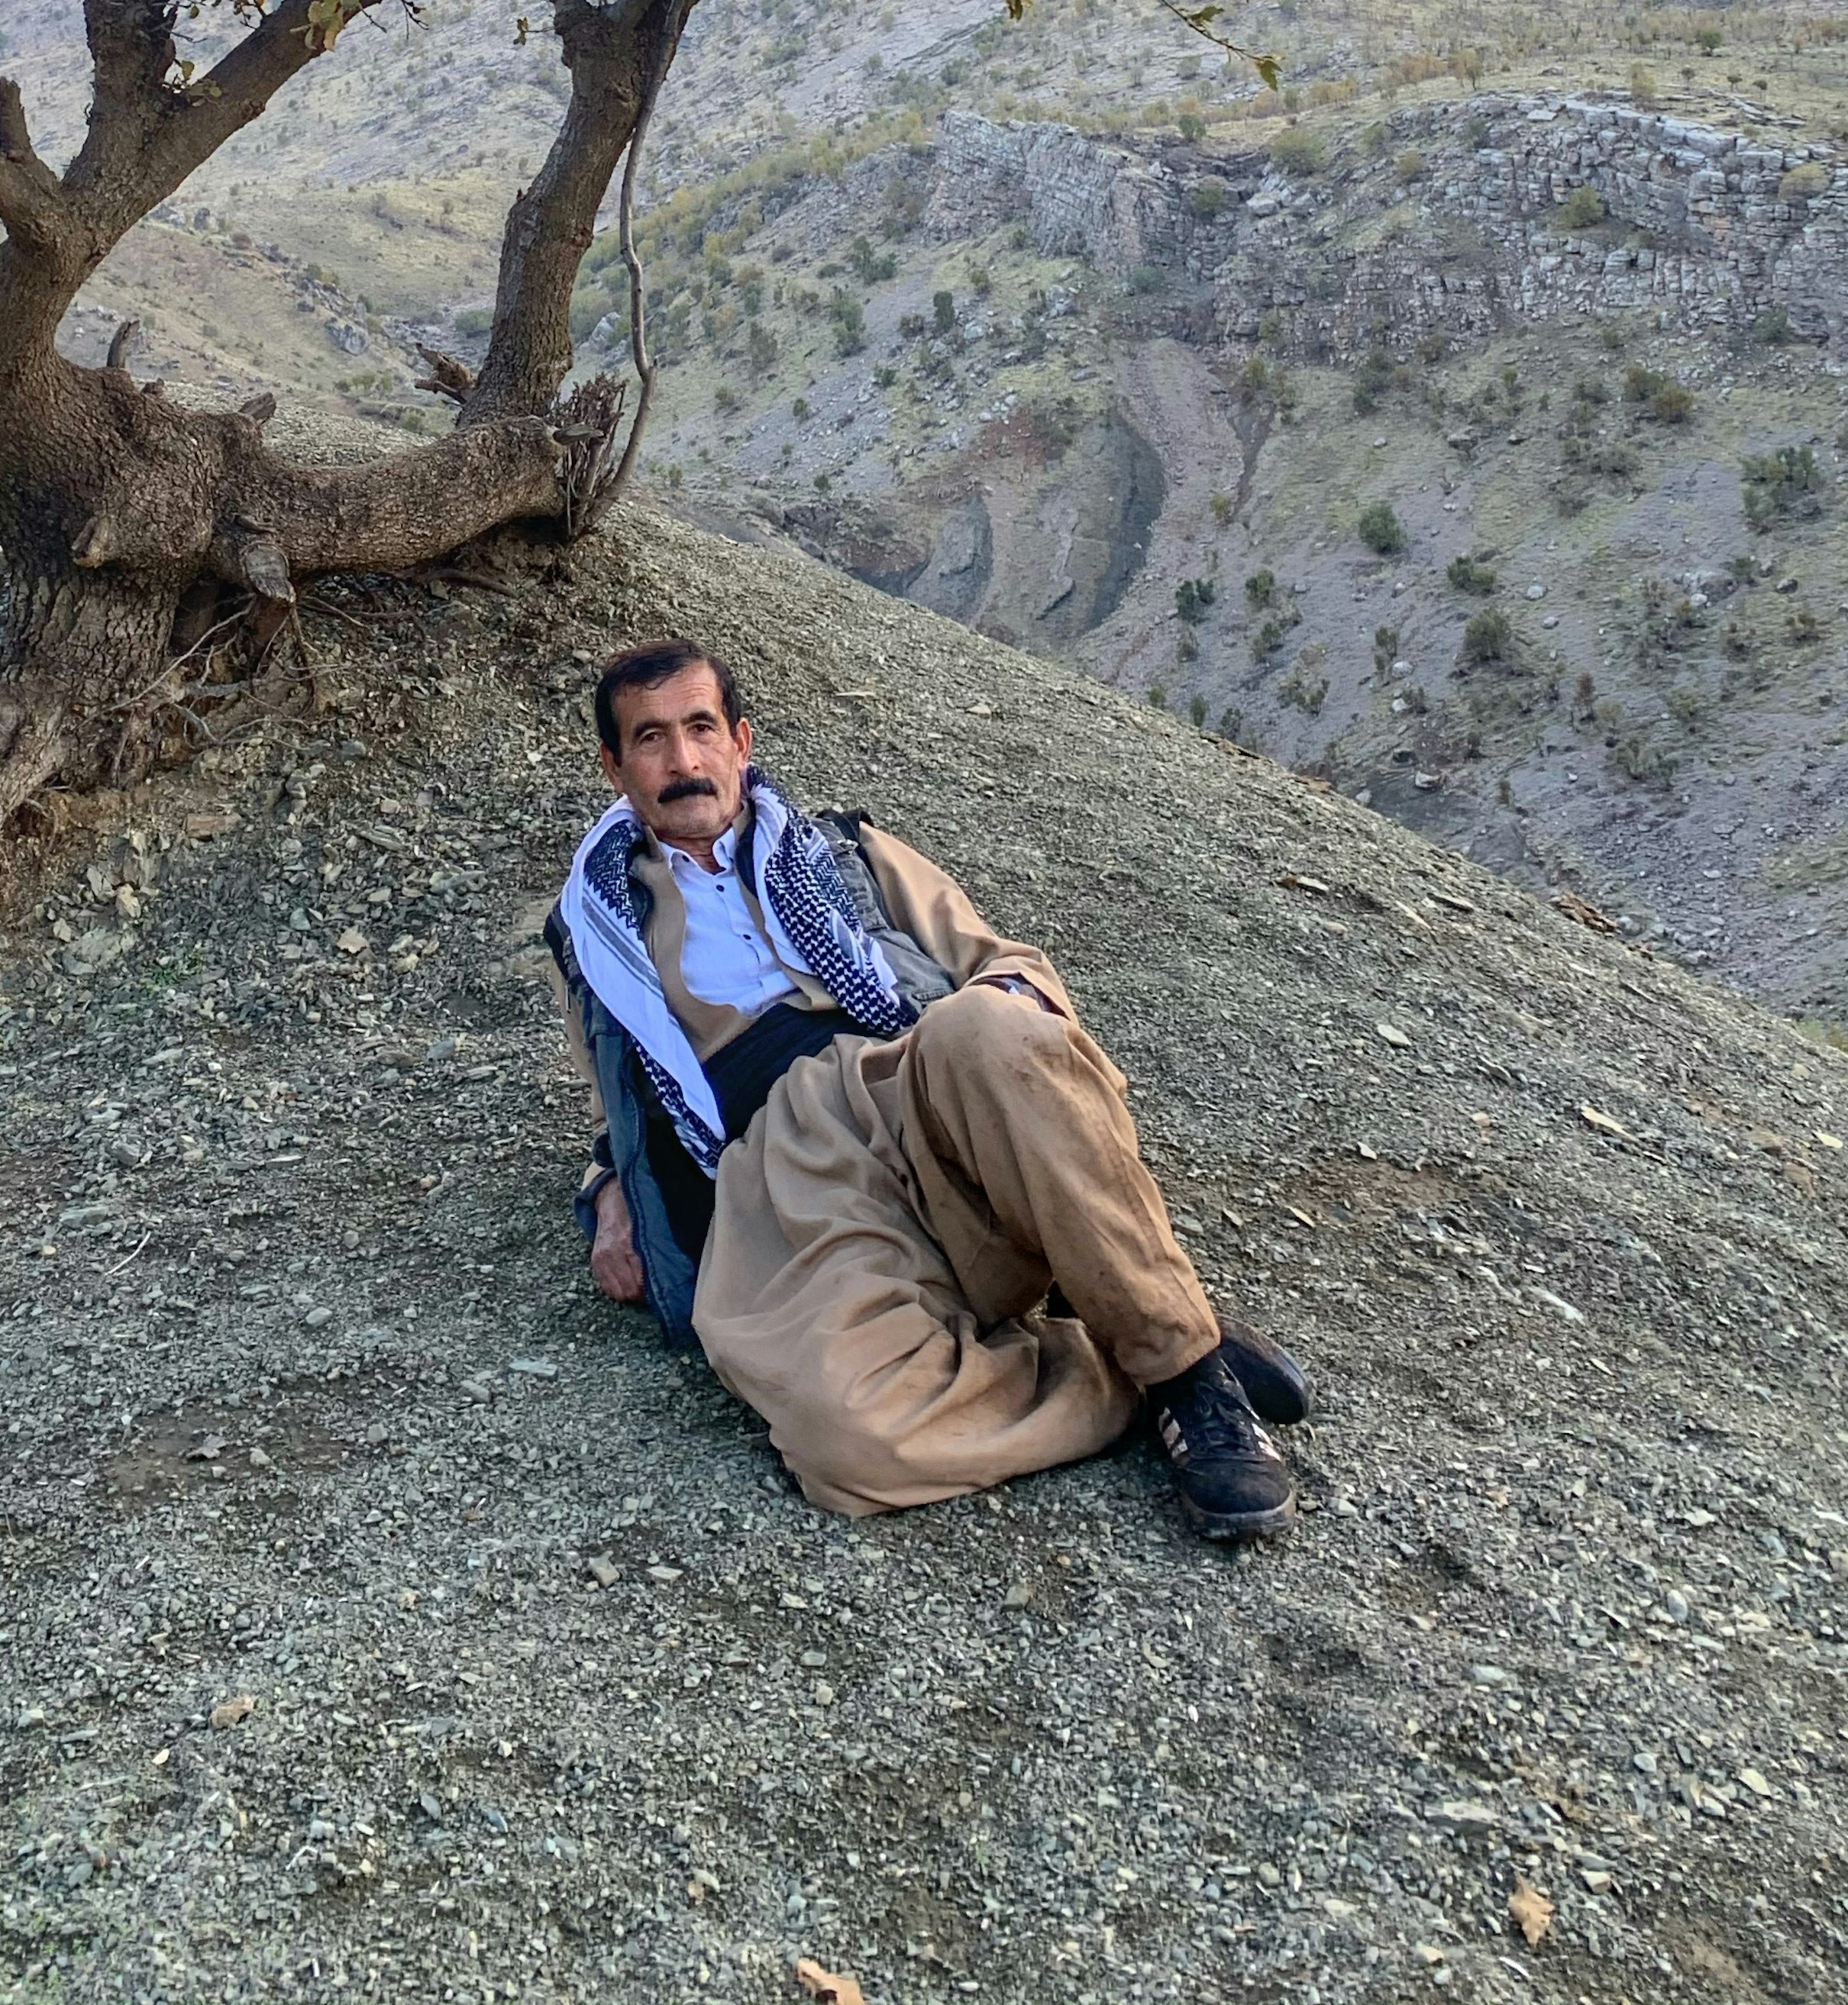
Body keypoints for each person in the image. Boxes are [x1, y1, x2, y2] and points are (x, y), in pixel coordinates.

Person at [546, 634, 1307, 1538]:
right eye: (651, 739)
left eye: (701, 728)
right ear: (614, 765)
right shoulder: (596, 924)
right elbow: (618, 1104)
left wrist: (991, 1069)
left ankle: (1190, 1377)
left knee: (990, 1025)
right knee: (846, 1437)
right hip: (784, 1163)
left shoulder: (844, 848)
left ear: (741, 741)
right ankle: (1124, 1355)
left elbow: (1010, 968)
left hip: (919, 1085)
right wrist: (608, 1192)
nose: (683, 761)